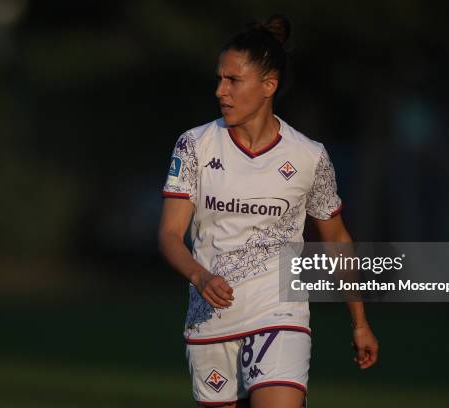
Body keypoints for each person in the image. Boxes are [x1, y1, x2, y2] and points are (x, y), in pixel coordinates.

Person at [158, 14, 379, 408]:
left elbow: (337, 239)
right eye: (219, 78)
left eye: (232, 80)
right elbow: (170, 234)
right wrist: (199, 275)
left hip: (280, 314)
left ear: (268, 86)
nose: (219, 91)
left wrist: (359, 321)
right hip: (211, 320)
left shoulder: (309, 156)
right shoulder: (194, 145)